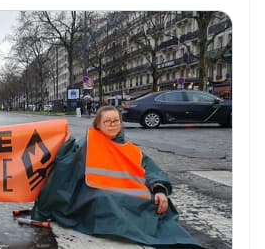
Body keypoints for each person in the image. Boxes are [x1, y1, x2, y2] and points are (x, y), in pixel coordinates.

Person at [31, 105, 202, 248]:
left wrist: (159, 189)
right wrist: (42, 210)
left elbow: (151, 169)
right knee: (106, 202)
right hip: (94, 194)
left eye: (116, 121)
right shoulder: (87, 145)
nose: (112, 124)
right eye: (107, 121)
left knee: (155, 204)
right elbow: (64, 172)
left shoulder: (132, 149)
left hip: (131, 192)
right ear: (98, 125)